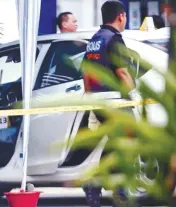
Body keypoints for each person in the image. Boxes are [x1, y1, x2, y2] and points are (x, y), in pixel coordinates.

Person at [81, 0, 141, 206]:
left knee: (116, 143)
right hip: (115, 100)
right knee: (126, 141)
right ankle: (114, 188)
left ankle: (100, 185)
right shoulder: (114, 40)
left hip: (99, 102)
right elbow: (122, 71)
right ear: (121, 16)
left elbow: (86, 72)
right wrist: (134, 95)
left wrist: (90, 97)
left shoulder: (95, 39)